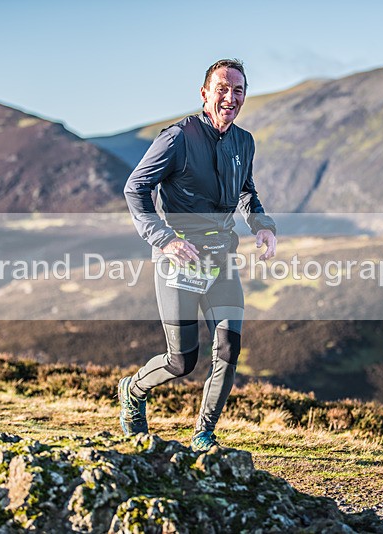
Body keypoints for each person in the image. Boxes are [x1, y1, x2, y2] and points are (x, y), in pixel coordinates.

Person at [120, 58, 277, 451]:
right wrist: (164, 239)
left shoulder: (244, 141)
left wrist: (263, 225)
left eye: (238, 90)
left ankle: (203, 435)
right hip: (179, 258)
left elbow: (246, 193)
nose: (230, 96)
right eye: (222, 88)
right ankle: (133, 390)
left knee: (228, 346)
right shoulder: (178, 137)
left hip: (221, 256)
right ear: (205, 93)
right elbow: (136, 188)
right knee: (181, 361)